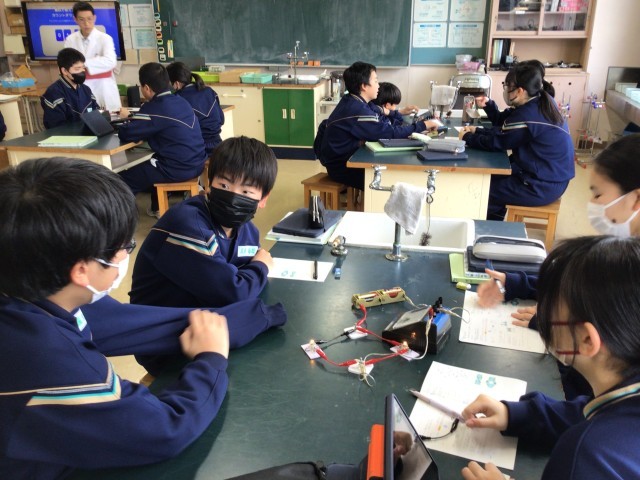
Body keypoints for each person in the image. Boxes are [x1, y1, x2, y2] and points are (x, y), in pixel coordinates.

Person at [0, 157, 286, 478]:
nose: (127, 255)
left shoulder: (36, 290)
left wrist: (252, 318)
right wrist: (210, 360)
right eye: (125, 246)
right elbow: (165, 430)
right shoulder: (49, 359)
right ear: (81, 270)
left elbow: (129, 322)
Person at [461, 235, 640, 480]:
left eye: (550, 312)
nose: (542, 316)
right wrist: (515, 414)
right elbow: (585, 414)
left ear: (588, 340)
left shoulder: (583, 457)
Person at [129, 136, 276, 309]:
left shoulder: (249, 232)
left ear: (263, 199)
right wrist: (261, 265)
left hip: (201, 314)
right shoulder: (187, 224)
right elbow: (233, 295)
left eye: (246, 191)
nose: (233, 197)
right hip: (160, 320)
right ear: (209, 183)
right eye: (224, 185)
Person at [458, 62, 575, 220]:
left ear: (520, 91)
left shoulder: (528, 115)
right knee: (489, 178)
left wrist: (467, 138)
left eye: (508, 86)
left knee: (483, 189)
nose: (506, 90)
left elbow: (499, 142)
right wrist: (479, 128)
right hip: (549, 177)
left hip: (541, 185)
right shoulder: (539, 102)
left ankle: (488, 229)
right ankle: (493, 222)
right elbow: (505, 128)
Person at [315, 61, 440, 191]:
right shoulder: (358, 110)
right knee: (391, 179)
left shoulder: (353, 100)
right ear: (364, 86)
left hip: (342, 160)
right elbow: (389, 132)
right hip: (343, 168)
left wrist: (399, 112)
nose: (378, 85)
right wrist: (423, 125)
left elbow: (378, 109)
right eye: (375, 81)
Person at [117, 62, 207, 217]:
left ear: (146, 88)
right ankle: (156, 208)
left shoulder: (153, 108)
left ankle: (120, 220)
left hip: (177, 168)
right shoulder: (181, 100)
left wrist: (127, 120)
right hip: (197, 162)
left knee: (122, 180)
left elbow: (127, 133)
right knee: (152, 163)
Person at [64, 1, 121, 111]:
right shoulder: (70, 40)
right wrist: (95, 62)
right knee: (85, 117)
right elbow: (67, 64)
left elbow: (111, 62)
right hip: (80, 86)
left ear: (94, 18)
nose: (86, 23)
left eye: (89, 19)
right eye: (82, 19)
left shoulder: (105, 38)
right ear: (75, 19)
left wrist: (81, 65)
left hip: (103, 87)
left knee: (109, 118)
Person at [167, 61, 225, 156]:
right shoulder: (209, 91)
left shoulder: (178, 99)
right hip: (218, 146)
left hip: (197, 149)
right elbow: (221, 120)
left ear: (176, 83)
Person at [40, 47, 100, 129]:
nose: (82, 71)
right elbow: (56, 127)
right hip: (67, 135)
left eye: (83, 68)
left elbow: (96, 114)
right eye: (77, 69)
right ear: (64, 71)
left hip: (89, 133)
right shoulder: (53, 93)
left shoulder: (86, 90)